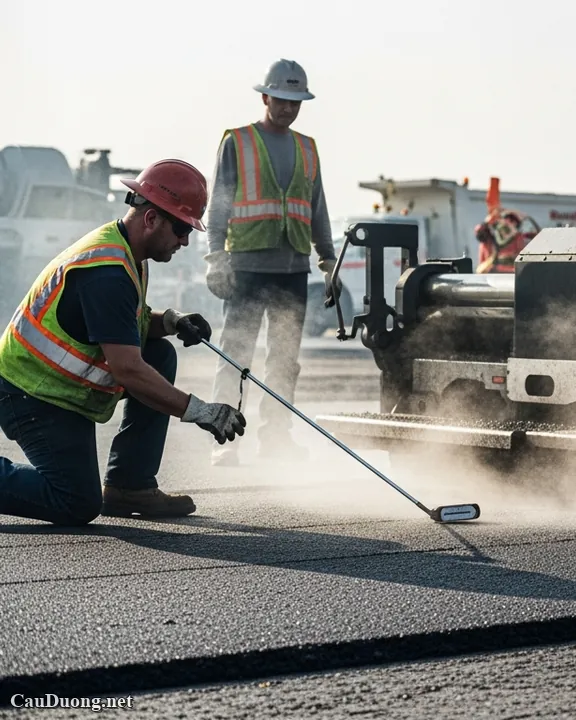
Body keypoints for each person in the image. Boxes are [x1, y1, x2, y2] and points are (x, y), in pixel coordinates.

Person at [0, 159, 247, 525]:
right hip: (30, 394)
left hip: (56, 390)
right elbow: (127, 370)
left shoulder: (126, 251)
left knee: (159, 353)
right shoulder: (107, 272)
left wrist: (170, 322)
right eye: (182, 228)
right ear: (152, 219)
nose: (185, 240)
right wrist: (201, 412)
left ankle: (130, 486)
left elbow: (123, 323)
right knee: (74, 501)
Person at [203, 58, 340, 466]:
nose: (288, 108)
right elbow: (219, 205)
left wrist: (328, 261)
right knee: (235, 356)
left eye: (295, 102)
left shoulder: (307, 148)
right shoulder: (238, 142)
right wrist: (216, 258)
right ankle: (225, 441)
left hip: (293, 270)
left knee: (284, 362)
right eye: (281, 100)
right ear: (265, 97)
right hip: (246, 268)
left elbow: (317, 209)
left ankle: (276, 438)